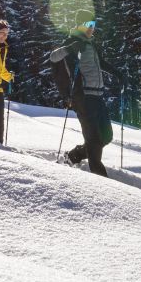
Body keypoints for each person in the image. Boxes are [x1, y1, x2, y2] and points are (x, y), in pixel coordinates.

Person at [49, 10, 124, 177]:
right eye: (89, 25)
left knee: (106, 135)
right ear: (80, 25)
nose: (92, 28)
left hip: (97, 96)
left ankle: (74, 155)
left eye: (94, 25)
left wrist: (117, 73)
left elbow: (100, 63)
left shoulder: (91, 44)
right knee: (95, 142)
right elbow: (53, 57)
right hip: (82, 97)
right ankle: (102, 182)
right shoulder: (72, 41)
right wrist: (71, 48)